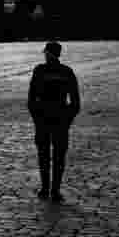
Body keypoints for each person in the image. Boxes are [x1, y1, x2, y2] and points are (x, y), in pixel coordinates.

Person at [27, 41, 80, 202]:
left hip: (43, 118)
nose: (45, 55)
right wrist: (67, 120)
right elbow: (75, 103)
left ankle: (45, 188)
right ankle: (55, 190)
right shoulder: (67, 71)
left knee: (44, 155)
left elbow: (31, 98)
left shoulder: (40, 70)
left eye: (46, 53)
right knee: (59, 157)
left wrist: (36, 118)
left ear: (49, 53)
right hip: (60, 118)